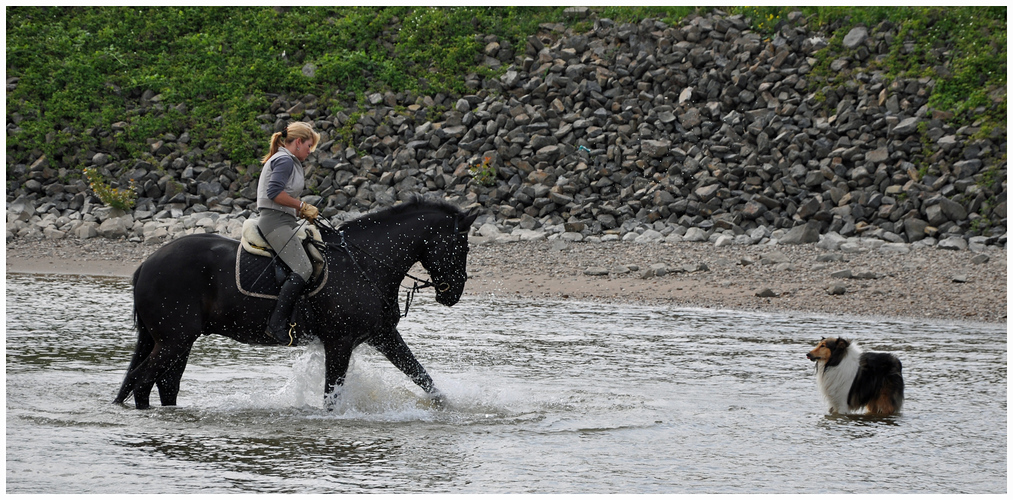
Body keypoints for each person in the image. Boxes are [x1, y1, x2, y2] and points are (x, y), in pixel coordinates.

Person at [256, 121, 320, 345]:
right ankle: (275, 323)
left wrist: (299, 212)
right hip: (275, 222)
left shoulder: (287, 160)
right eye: (309, 146)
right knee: (304, 268)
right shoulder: (284, 160)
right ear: (299, 142)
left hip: (286, 220)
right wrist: (301, 207)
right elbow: (274, 193)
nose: (310, 151)